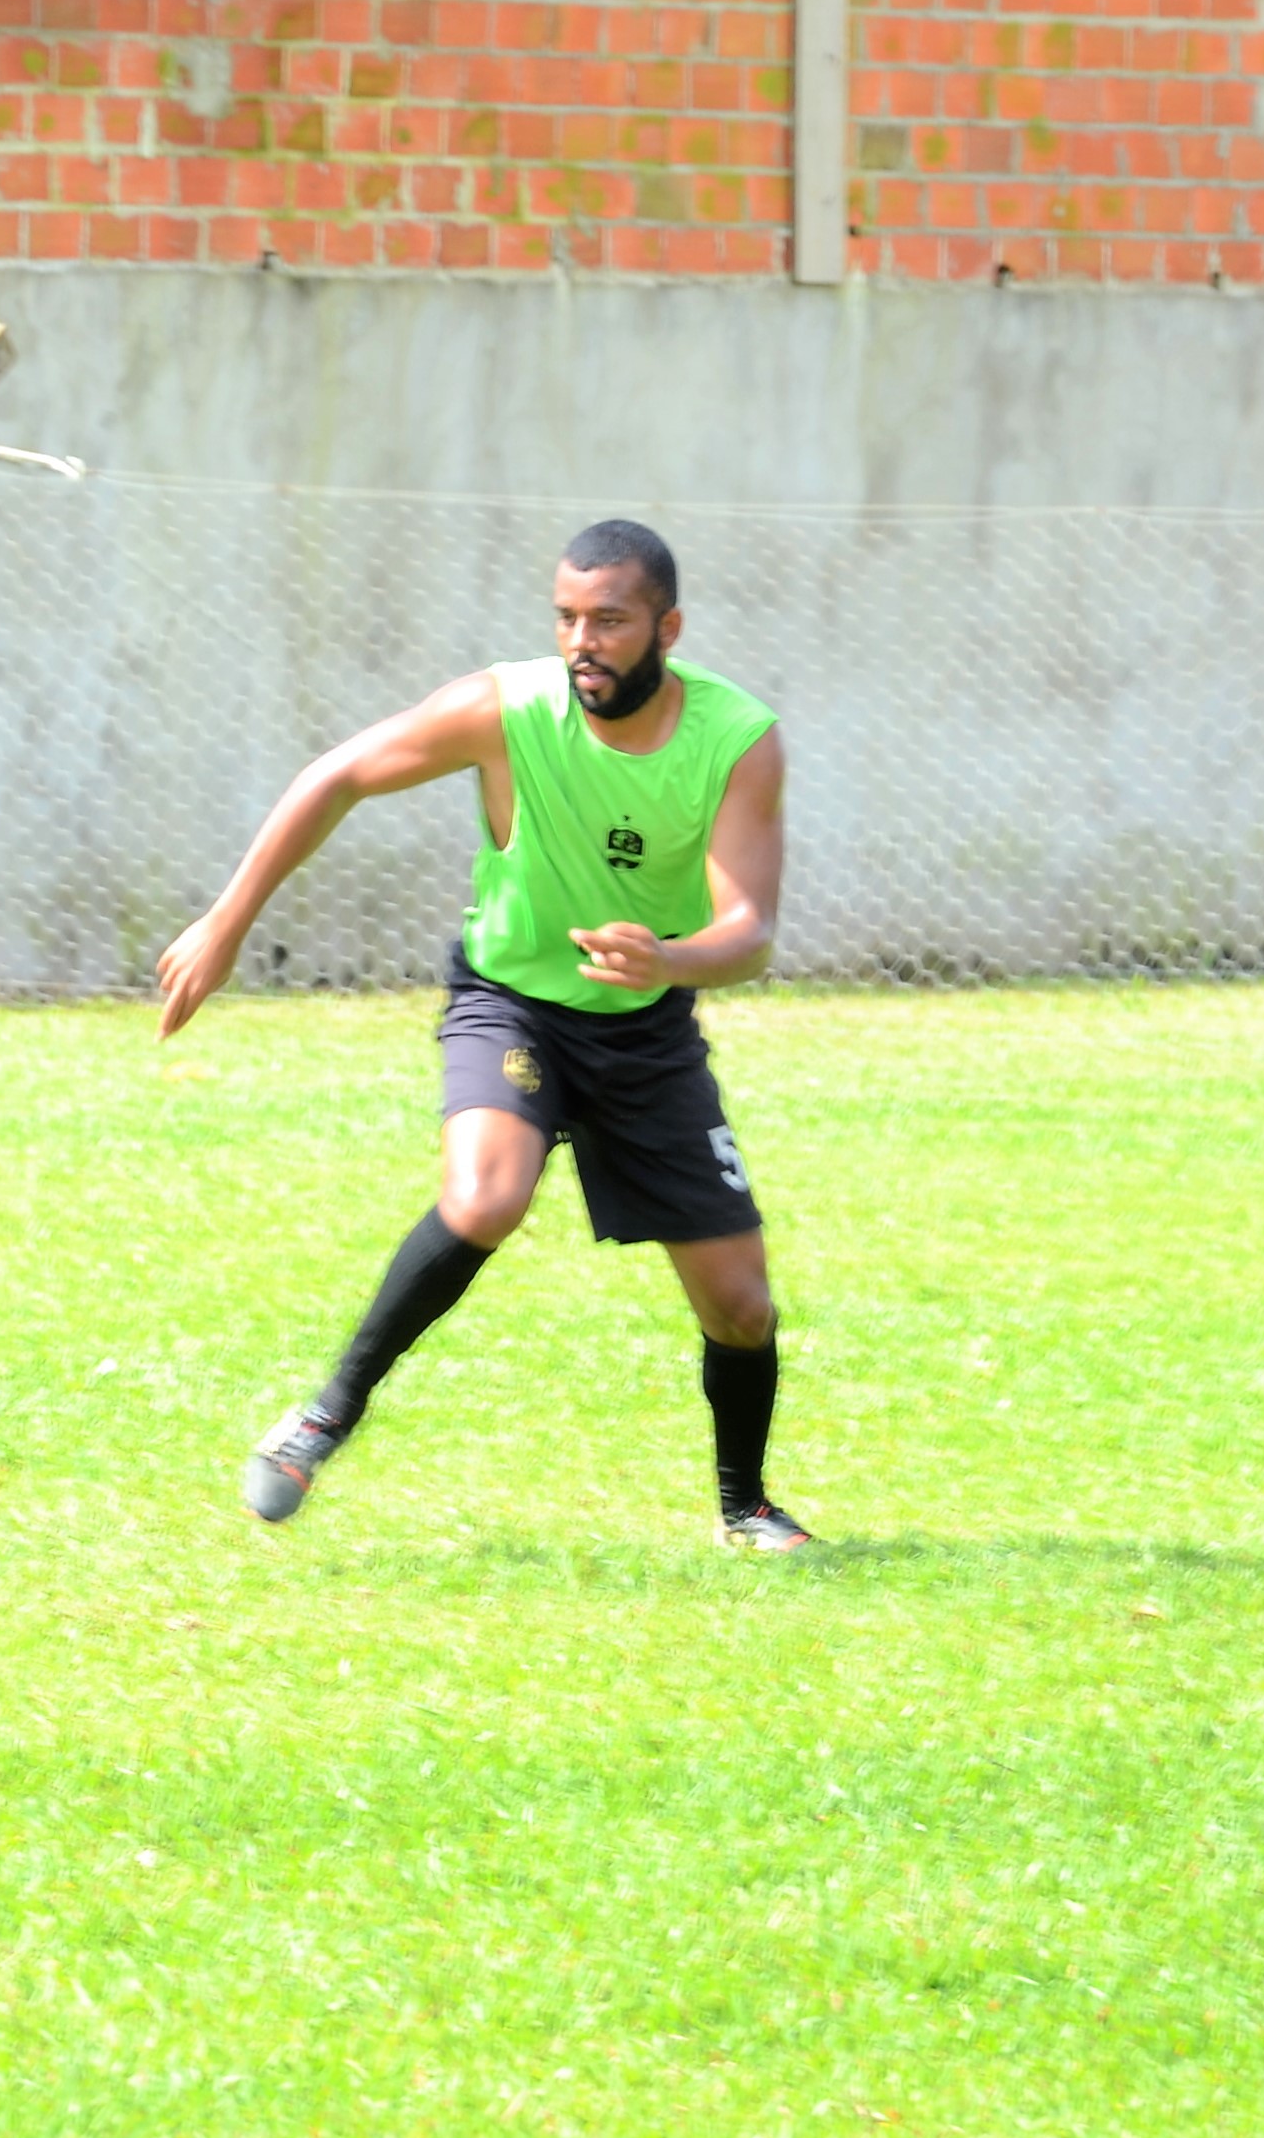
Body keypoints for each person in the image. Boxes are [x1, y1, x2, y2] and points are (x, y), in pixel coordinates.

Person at [156, 518, 809, 1550]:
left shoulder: (736, 740)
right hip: (514, 1007)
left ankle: (748, 1508)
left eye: (611, 620)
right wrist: (226, 923)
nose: (583, 641)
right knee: (486, 1196)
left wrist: (670, 960)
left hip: (645, 1028)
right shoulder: (509, 711)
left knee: (740, 1306)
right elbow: (336, 776)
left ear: (667, 628)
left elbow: (750, 931)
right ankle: (324, 1416)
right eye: (567, 619)